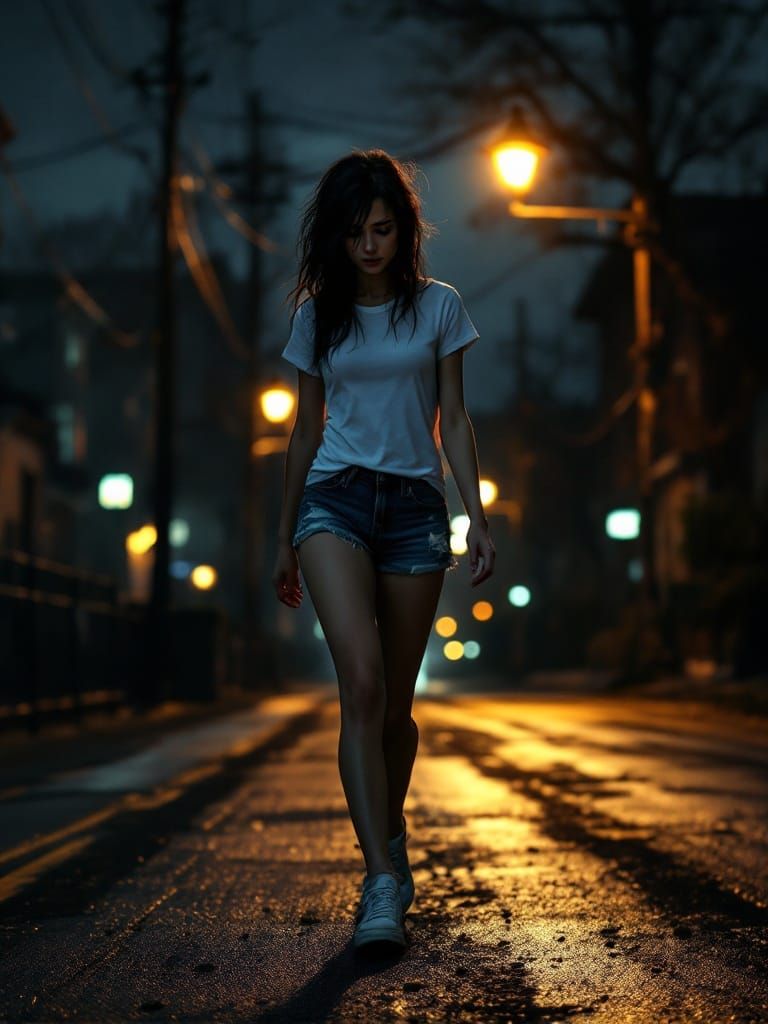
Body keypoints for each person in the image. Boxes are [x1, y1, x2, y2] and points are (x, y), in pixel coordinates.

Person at [272, 148, 495, 950]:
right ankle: (380, 880)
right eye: (355, 232)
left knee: (397, 706)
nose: (369, 245)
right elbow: (303, 431)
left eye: (382, 229)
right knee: (360, 686)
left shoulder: (439, 308)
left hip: (413, 509)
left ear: (404, 232)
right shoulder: (315, 316)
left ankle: (388, 844)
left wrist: (476, 518)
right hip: (334, 499)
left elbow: (457, 421)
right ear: (334, 238)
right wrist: (284, 539)